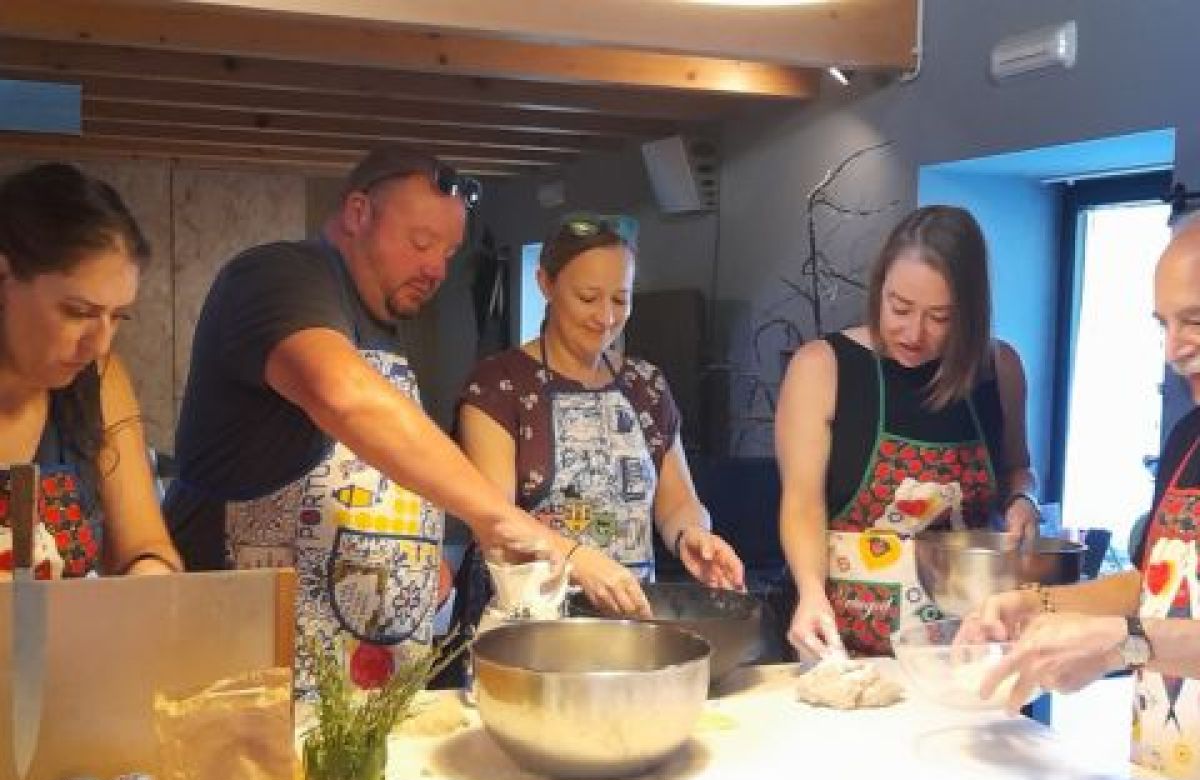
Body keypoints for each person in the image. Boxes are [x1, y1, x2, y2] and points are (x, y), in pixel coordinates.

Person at [164, 147, 560, 693]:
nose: (436, 269)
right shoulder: (279, 277)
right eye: (420, 243)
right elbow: (346, 397)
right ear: (357, 213)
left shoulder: (380, 323)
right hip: (249, 651)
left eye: (448, 253)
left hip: (362, 669)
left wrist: (419, 560)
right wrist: (503, 520)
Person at [971, 216, 1200, 780]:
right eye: (1164, 324)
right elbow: (1157, 588)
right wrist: (1039, 604)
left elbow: (1143, 626)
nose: (1173, 349)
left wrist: (1126, 642)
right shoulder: (1187, 439)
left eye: (1195, 320)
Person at [776, 205, 1039, 660]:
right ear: (880, 288)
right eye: (899, 308)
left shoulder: (1001, 369)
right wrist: (810, 592)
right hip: (847, 643)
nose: (914, 333)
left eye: (940, 317)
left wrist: (1023, 500)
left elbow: (1018, 469)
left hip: (969, 642)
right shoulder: (822, 368)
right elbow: (802, 505)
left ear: (971, 314)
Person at [457, 212, 744, 618]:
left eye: (620, 300)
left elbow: (678, 500)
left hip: (628, 623)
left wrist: (693, 535)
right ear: (545, 284)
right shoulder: (499, 385)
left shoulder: (646, 386)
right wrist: (576, 559)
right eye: (588, 298)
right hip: (528, 627)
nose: (606, 318)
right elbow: (495, 523)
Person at [0, 162, 181, 578]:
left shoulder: (99, 380)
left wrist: (149, 573)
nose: (99, 344)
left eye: (118, 317)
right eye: (78, 312)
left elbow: (143, 545)